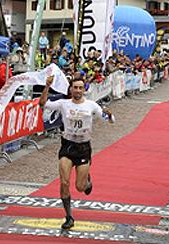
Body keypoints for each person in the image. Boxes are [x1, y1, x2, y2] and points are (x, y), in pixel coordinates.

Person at [39, 75, 115, 229]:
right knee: (64, 182)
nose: (78, 90)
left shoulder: (91, 105)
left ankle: (87, 181)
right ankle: (69, 217)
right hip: (67, 146)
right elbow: (43, 104)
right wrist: (47, 86)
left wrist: (109, 114)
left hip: (83, 148)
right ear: (71, 89)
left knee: (80, 187)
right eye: (75, 87)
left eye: (81, 88)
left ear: (84, 90)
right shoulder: (63, 104)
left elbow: (110, 120)